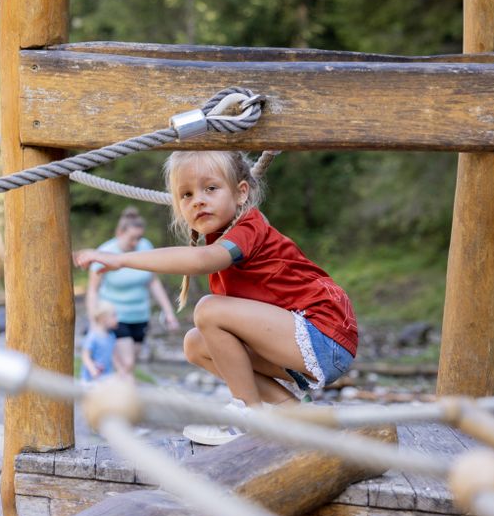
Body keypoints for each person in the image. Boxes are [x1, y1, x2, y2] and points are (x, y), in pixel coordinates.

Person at [74, 151, 357, 445]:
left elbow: (199, 261)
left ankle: (247, 414)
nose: (198, 200)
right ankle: (294, 411)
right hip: (306, 342)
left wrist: (121, 260)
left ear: (240, 193)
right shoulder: (221, 239)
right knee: (195, 344)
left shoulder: (248, 228)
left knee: (209, 309)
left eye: (210, 188)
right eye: (186, 194)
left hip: (325, 335)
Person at [86, 207, 179, 379]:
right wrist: (94, 322)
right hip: (114, 316)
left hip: (140, 316)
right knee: (126, 363)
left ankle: (113, 395)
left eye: (139, 237)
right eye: (132, 238)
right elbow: (93, 290)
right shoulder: (104, 253)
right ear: (120, 233)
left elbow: (153, 282)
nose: (136, 242)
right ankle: (125, 401)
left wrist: (168, 312)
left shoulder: (145, 247)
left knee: (128, 365)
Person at [81, 300, 119, 383]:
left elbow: (112, 355)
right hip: (91, 379)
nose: (117, 319)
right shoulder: (93, 337)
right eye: (114, 315)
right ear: (103, 319)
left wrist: (119, 370)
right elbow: (85, 356)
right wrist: (93, 370)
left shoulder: (111, 336)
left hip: (106, 376)